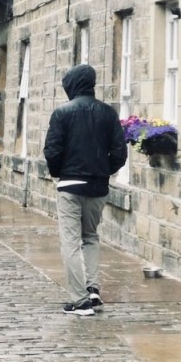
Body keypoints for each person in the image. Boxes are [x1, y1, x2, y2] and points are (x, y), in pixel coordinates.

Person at [44, 64, 127, 316]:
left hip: (70, 185)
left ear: (72, 85)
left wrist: (60, 172)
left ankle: (80, 301)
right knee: (90, 237)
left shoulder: (62, 113)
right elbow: (120, 153)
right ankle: (92, 289)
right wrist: (103, 169)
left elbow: (52, 151)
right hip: (98, 186)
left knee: (70, 241)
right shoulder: (108, 113)